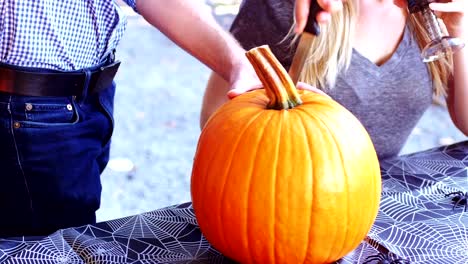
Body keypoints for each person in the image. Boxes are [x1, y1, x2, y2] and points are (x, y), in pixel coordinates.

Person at [0, 0, 341, 237]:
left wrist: (240, 65)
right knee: (49, 242)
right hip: (29, 106)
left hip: (84, 97)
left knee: (67, 229)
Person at [200, 0, 468, 159]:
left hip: (384, 199)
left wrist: (458, 31)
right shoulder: (288, 8)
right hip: (288, 200)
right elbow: (214, 117)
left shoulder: (436, 14)